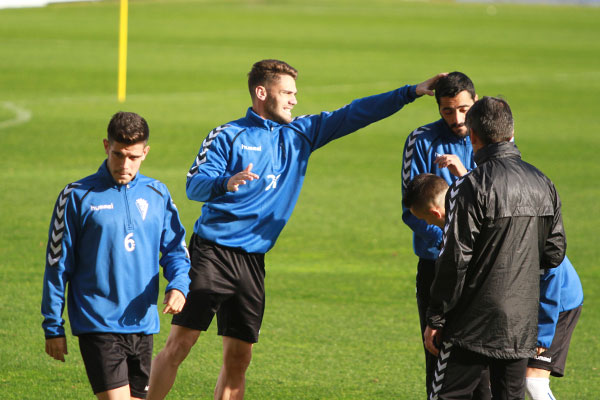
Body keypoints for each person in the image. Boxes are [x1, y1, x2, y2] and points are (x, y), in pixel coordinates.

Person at [146, 59, 445, 400]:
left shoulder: (302, 134)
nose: (293, 100)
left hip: (253, 261)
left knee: (239, 358)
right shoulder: (229, 135)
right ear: (262, 92)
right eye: (287, 92)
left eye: (295, 93)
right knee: (180, 345)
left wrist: (410, 93)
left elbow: (355, 113)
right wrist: (225, 182)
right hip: (212, 253)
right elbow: (194, 186)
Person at [423, 97, 567, 400]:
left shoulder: (469, 186)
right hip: (520, 324)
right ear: (511, 133)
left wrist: (436, 317)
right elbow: (554, 253)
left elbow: (454, 258)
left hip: (469, 326)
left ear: (473, 136)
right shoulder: (544, 183)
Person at [41, 111, 191, 400]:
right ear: (105, 146)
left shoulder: (157, 193)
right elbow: (58, 265)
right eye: (119, 154)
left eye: (133, 157)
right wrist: (53, 326)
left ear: (145, 152)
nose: (125, 164)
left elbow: (175, 250)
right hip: (98, 321)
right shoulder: (76, 196)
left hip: (143, 323)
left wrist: (179, 286)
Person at [404, 173, 583, 400]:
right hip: (520, 302)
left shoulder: (472, 216)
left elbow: (552, 271)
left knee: (533, 381)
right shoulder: (471, 211)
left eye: (429, 222)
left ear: (435, 213)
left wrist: (543, 334)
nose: (432, 226)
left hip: (558, 302)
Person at [400, 72, 484, 398]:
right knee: (438, 359)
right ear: (438, 107)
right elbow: (413, 210)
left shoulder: (490, 137)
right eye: (448, 111)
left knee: (484, 364)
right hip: (437, 267)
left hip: (482, 268)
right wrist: (450, 244)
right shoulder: (421, 141)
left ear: (474, 102)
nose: (457, 118)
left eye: (463, 109)